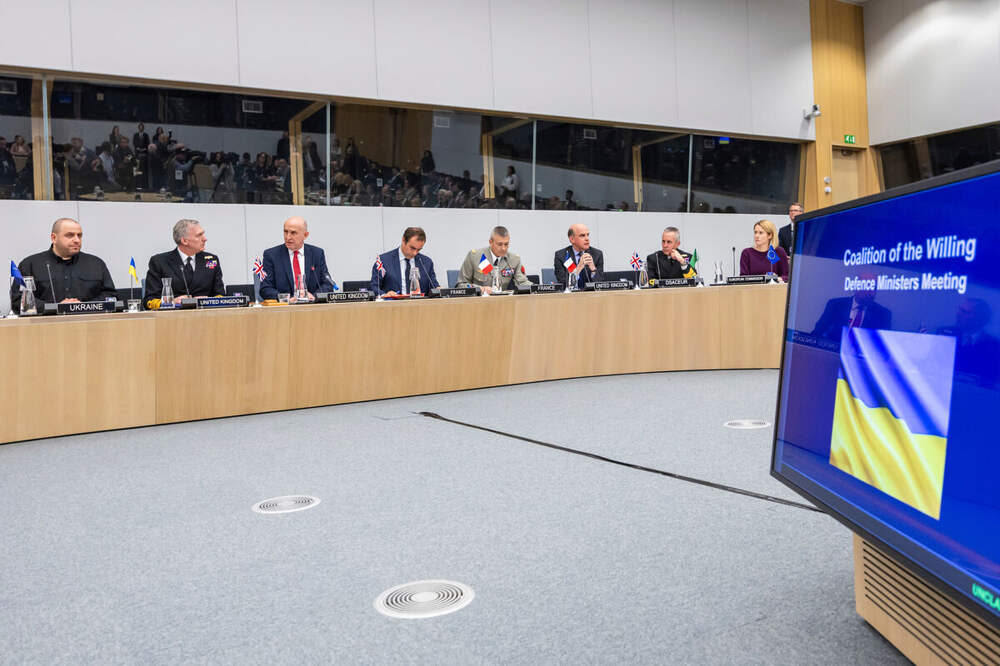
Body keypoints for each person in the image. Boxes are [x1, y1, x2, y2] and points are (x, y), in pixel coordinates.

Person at [9, 218, 115, 313]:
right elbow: (18, 300)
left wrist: (82, 306)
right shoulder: (30, 264)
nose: (77, 240)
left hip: (89, 324)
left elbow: (111, 296)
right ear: (54, 238)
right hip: (45, 325)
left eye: (79, 235)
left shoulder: (96, 264)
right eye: (70, 235)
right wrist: (56, 308)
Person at [143, 219, 225, 308]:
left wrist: (209, 301)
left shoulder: (211, 260)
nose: (205, 239)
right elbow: (149, 300)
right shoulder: (160, 262)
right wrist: (171, 303)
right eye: (199, 235)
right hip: (173, 315)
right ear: (184, 241)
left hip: (205, 313)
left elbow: (220, 295)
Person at [259, 217, 334, 301]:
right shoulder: (272, 255)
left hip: (311, 306)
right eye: (285, 232)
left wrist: (314, 296)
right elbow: (265, 289)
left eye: (293, 233)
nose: (288, 237)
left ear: (305, 235)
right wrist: (287, 299)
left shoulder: (317, 254)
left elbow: (328, 284)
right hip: (285, 307)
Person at [810, 274, 891, 340]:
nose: (871, 293)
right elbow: (817, 332)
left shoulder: (883, 314)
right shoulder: (835, 305)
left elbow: (882, 346)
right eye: (868, 286)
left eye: (874, 288)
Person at [458, 226, 532, 293]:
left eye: (506, 244)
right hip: (479, 300)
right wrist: (481, 289)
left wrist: (536, 288)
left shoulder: (514, 260)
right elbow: (461, 285)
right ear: (490, 242)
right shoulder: (475, 257)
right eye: (499, 244)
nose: (503, 248)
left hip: (503, 301)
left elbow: (522, 282)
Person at [370, 226, 439, 296]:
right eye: (412, 248)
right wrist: (385, 295)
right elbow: (374, 287)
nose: (415, 253)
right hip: (393, 302)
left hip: (420, 302)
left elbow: (434, 287)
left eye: (419, 249)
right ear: (403, 240)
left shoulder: (426, 262)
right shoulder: (383, 260)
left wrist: (440, 290)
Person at [553, 223, 604, 289]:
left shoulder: (596, 254)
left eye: (587, 235)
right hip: (571, 294)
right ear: (572, 239)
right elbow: (563, 283)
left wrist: (593, 269)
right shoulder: (562, 256)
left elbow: (600, 285)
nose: (587, 239)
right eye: (582, 236)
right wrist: (578, 268)